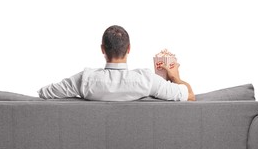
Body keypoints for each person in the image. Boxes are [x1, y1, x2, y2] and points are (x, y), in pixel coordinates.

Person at [38, 25, 195, 101]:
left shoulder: (84, 79)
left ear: (102, 49)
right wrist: (175, 77)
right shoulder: (147, 80)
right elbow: (190, 97)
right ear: (129, 49)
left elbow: (44, 93)